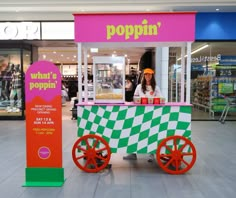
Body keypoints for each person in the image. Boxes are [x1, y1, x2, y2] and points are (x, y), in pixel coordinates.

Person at [123, 68, 163, 162]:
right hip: (140, 112)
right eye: (146, 74)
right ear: (143, 76)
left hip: (152, 113)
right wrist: (139, 98)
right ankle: (132, 153)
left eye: (149, 74)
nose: (147, 76)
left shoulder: (156, 87)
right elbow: (135, 97)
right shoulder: (139, 86)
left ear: (152, 76)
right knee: (135, 131)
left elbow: (161, 97)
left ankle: (151, 154)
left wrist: (153, 98)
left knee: (152, 132)